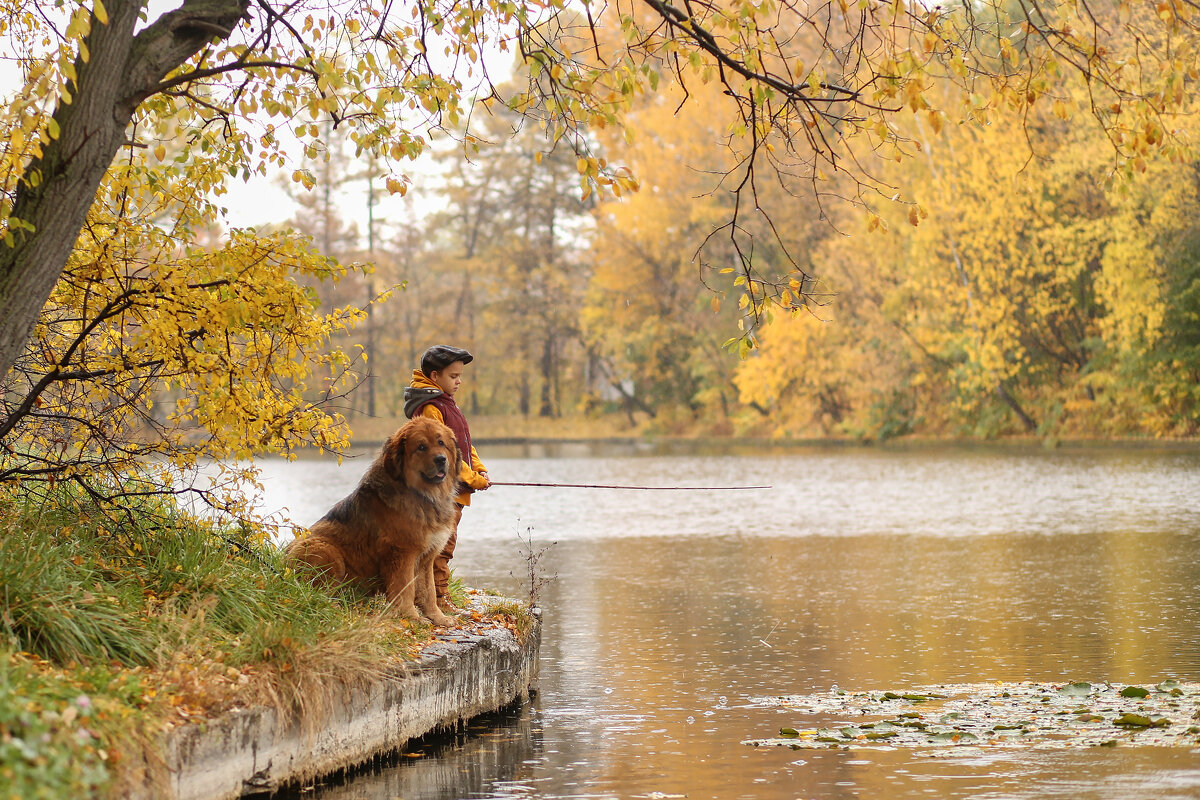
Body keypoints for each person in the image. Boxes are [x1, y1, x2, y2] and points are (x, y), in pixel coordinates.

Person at [403, 344, 490, 613]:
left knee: (446, 544)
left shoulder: (447, 403)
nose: (459, 381)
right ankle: (438, 600)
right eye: (453, 376)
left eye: (460, 375)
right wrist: (472, 479)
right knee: (441, 546)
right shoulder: (431, 408)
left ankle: (434, 597)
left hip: (455, 491)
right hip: (439, 494)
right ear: (434, 376)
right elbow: (445, 454)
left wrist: (479, 468)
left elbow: (463, 445)